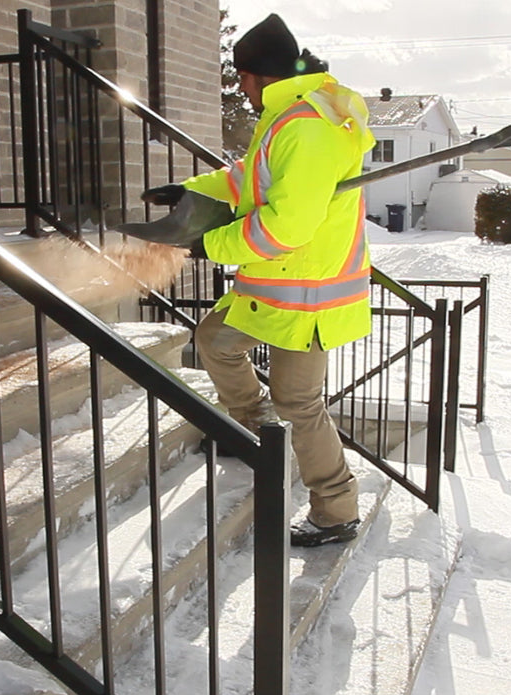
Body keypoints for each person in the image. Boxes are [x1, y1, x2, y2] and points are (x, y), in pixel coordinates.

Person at [142, 13, 375, 547]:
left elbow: (288, 226)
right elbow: (250, 175)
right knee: (214, 340)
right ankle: (250, 424)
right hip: (274, 285)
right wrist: (190, 190)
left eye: (242, 76)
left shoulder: (310, 127)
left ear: (262, 73)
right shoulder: (288, 117)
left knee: (301, 404)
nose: (239, 86)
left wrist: (210, 244)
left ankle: (335, 508)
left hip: (308, 293)